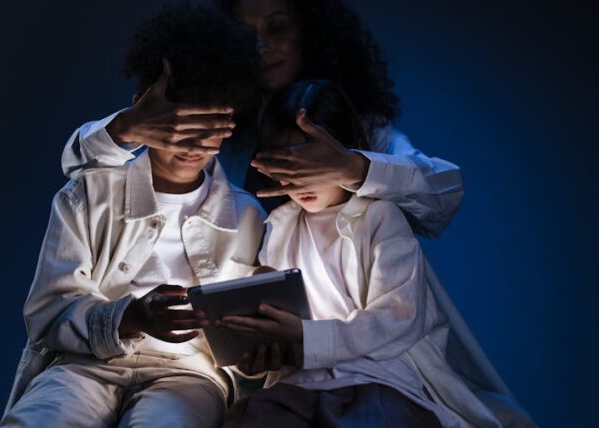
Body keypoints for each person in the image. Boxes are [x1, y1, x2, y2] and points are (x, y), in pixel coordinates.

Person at [0, 4, 266, 428]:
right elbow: (48, 311)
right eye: (181, 122)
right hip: (84, 363)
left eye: (212, 123)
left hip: (188, 373)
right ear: (147, 113)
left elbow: (247, 343)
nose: (194, 141)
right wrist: (131, 317)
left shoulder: (247, 216)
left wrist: (254, 347)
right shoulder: (90, 194)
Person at [59, 0, 463, 238]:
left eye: (277, 27)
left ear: (308, 32)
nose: (261, 46)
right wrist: (123, 127)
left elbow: (443, 196)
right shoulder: (211, 126)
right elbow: (79, 173)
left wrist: (351, 166)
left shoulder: (355, 123)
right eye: (245, 34)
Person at [218, 80, 517, 427]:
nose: (301, 181)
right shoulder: (280, 227)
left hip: (378, 379)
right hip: (300, 383)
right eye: (288, 168)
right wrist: (261, 353)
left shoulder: (379, 217)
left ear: (342, 153)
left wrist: (308, 336)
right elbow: (280, 326)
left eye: (311, 167)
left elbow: (396, 319)